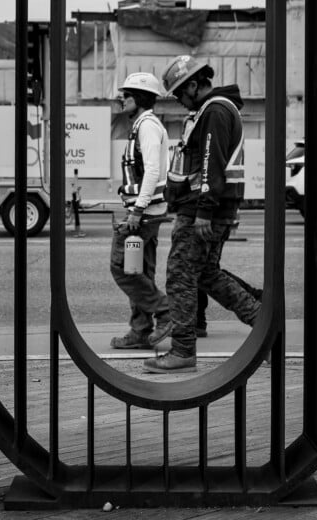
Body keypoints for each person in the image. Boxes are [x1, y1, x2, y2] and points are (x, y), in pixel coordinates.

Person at [144, 56, 261, 373]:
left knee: (180, 277)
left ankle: (183, 351)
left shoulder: (215, 111)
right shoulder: (214, 110)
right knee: (207, 274)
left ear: (193, 85)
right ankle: (263, 319)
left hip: (201, 210)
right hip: (205, 209)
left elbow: (212, 163)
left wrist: (205, 212)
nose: (181, 102)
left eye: (181, 94)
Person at [110, 72, 172, 350]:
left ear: (140, 99)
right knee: (140, 270)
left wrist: (136, 210)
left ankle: (166, 312)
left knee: (122, 268)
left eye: (127, 95)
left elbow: (152, 171)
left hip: (144, 215)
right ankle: (140, 331)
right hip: (149, 212)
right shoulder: (143, 125)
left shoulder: (147, 126)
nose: (121, 99)